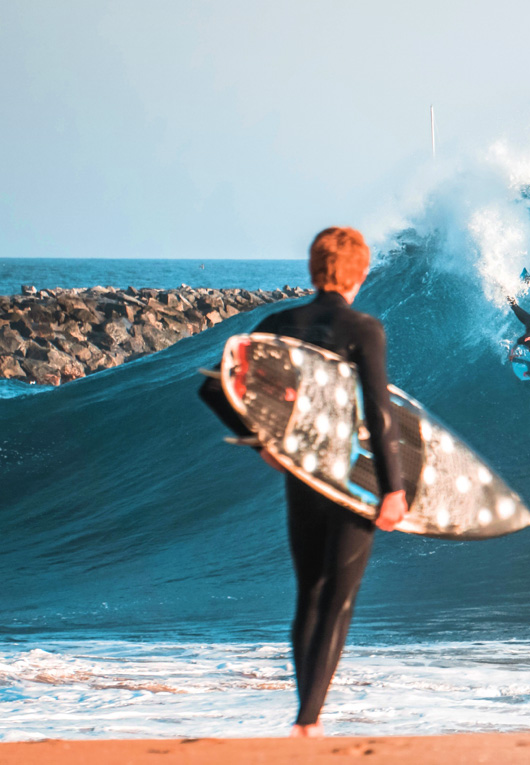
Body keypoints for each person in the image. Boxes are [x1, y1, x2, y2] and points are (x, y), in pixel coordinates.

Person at [199, 227, 407, 737]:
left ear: (315, 269)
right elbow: (380, 416)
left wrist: (262, 444)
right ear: (358, 273)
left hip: (302, 476)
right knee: (339, 600)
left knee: (309, 595)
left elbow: (214, 389)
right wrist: (394, 488)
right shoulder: (364, 328)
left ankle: (304, 716)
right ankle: (308, 722)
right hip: (350, 480)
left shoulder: (279, 323)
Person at [507, 276, 530, 380]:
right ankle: (504, 290)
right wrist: (511, 354)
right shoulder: (526, 339)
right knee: (514, 307)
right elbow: (517, 343)